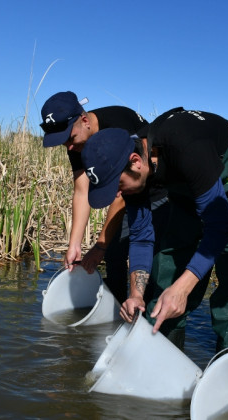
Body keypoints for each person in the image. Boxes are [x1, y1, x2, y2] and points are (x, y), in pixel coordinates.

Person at [80, 108, 228, 351]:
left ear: (136, 163)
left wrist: (183, 288)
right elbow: (142, 238)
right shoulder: (137, 169)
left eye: (117, 186)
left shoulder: (186, 147)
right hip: (186, 192)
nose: (116, 195)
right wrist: (136, 294)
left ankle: (225, 363)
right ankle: (162, 357)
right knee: (166, 272)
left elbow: (220, 227)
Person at [39, 91, 167, 303]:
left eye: (70, 139)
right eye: (63, 142)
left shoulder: (118, 124)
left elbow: (121, 193)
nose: (69, 147)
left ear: (85, 120)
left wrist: (99, 246)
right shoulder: (76, 141)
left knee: (151, 256)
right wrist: (75, 245)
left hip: (153, 193)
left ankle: (148, 314)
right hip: (125, 193)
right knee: (114, 254)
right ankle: (115, 309)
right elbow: (81, 191)